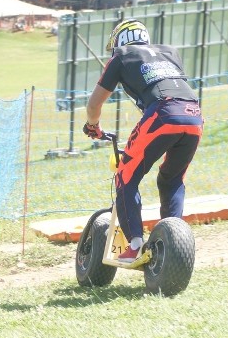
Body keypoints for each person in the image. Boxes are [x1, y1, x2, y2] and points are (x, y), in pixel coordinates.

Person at [83, 19, 203, 263]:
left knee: (125, 174)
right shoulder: (170, 52)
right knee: (172, 178)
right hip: (194, 115)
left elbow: (95, 103)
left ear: (119, 41)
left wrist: (93, 126)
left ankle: (135, 245)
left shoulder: (121, 56)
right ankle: (171, 243)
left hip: (162, 113)